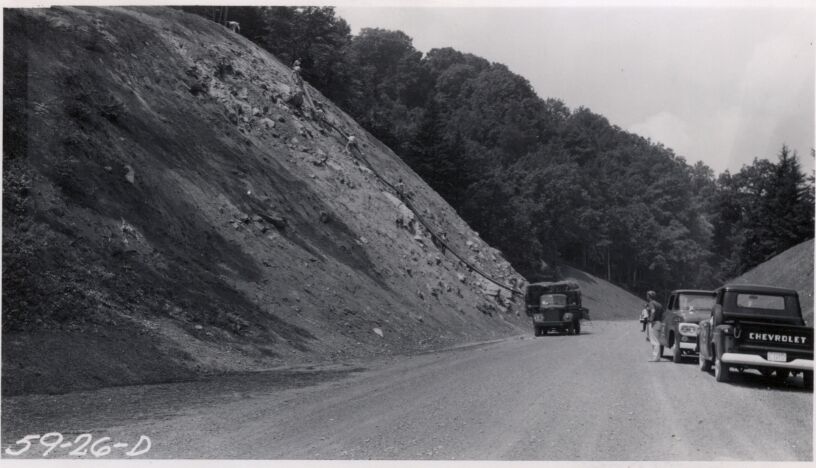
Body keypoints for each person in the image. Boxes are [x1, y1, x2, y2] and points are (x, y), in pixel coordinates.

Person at [646, 290, 665, 362]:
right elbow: (663, 314)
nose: (647, 296)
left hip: (654, 323)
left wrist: (651, 319)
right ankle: (657, 357)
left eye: (647, 295)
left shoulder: (651, 303)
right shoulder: (659, 304)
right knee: (657, 340)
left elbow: (653, 311)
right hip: (659, 323)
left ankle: (655, 358)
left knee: (655, 341)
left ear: (649, 296)